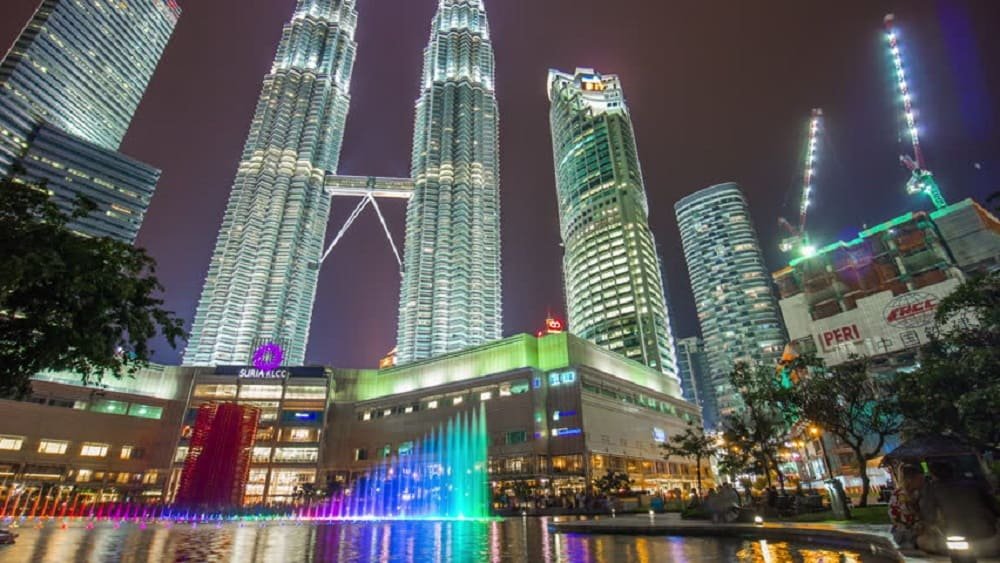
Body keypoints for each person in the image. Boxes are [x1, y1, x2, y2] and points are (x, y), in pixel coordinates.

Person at [920, 461, 1000, 557]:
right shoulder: (974, 483)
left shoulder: (933, 489)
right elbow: (996, 508)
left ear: (933, 475)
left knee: (921, 541)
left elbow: (929, 517)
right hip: (991, 540)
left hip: (959, 545)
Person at [888, 464, 924, 549]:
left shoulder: (916, 493)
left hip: (912, 531)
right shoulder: (900, 496)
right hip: (905, 534)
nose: (922, 481)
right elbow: (905, 518)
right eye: (919, 479)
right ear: (910, 480)